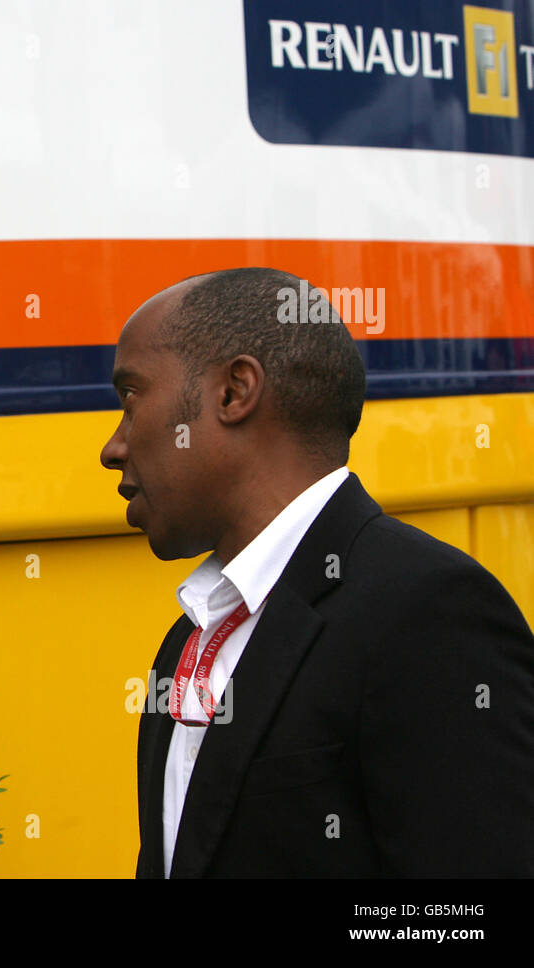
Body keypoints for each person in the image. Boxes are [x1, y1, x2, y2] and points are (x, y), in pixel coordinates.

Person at [100, 267, 534, 877]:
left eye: (130, 398)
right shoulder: (189, 639)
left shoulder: (429, 611)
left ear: (233, 392)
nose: (112, 446)